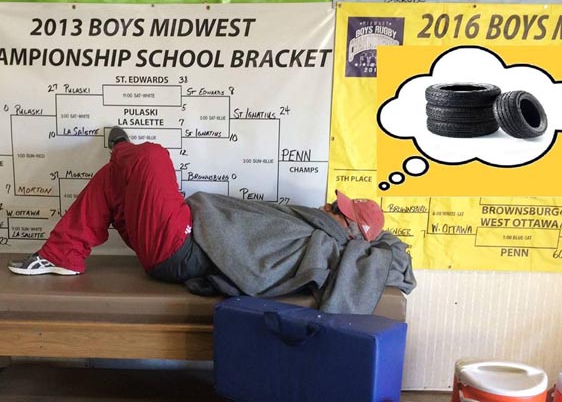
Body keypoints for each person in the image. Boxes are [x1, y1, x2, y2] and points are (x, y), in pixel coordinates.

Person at [7, 127, 416, 314]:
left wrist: (366, 249)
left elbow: (265, 266)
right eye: (334, 203)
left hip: (181, 248)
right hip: (183, 228)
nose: (328, 205)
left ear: (348, 228)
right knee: (113, 179)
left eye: (338, 209)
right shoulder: (313, 226)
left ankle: (121, 146)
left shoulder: (326, 246)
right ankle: (63, 255)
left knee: (151, 157)